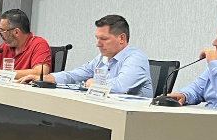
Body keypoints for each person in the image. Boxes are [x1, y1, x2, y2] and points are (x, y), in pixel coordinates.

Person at [17, 14, 153, 97]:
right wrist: (48, 78)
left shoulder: (135, 58)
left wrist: (95, 83)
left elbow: (121, 86)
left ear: (121, 38)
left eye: (103, 39)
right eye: (97, 38)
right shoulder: (102, 58)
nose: (98, 44)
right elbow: (76, 75)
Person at [0, 9, 51, 79]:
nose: (0, 35)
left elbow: (40, 73)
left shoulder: (39, 44)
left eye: (2, 31)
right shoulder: (6, 46)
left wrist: (4, 74)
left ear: (16, 32)